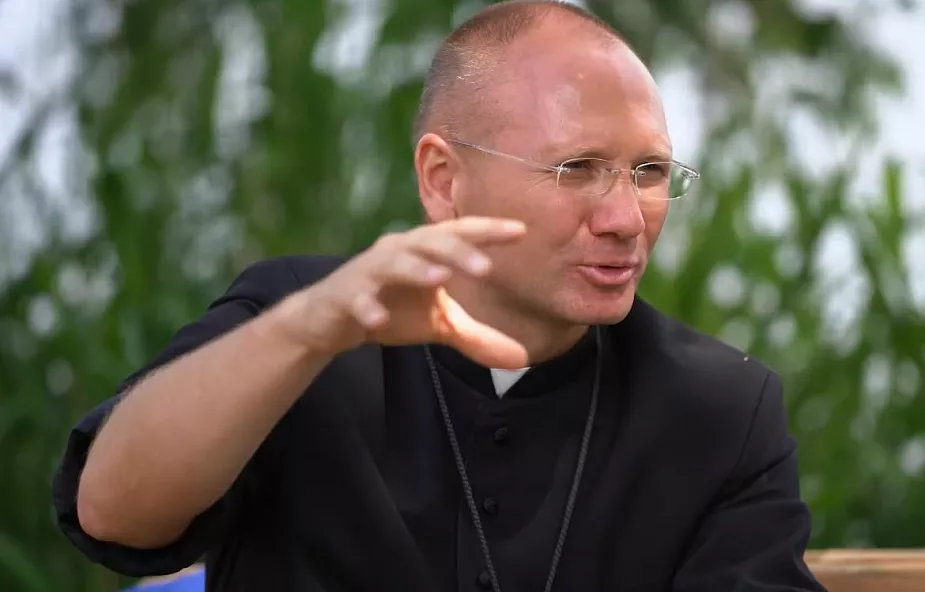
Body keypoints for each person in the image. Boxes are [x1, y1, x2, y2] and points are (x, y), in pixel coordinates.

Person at [53, 1, 826, 591]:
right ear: (443, 179)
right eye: (577, 169)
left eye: (649, 173)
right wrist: (304, 334)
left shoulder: (723, 407)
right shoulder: (296, 317)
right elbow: (114, 514)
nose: (625, 219)